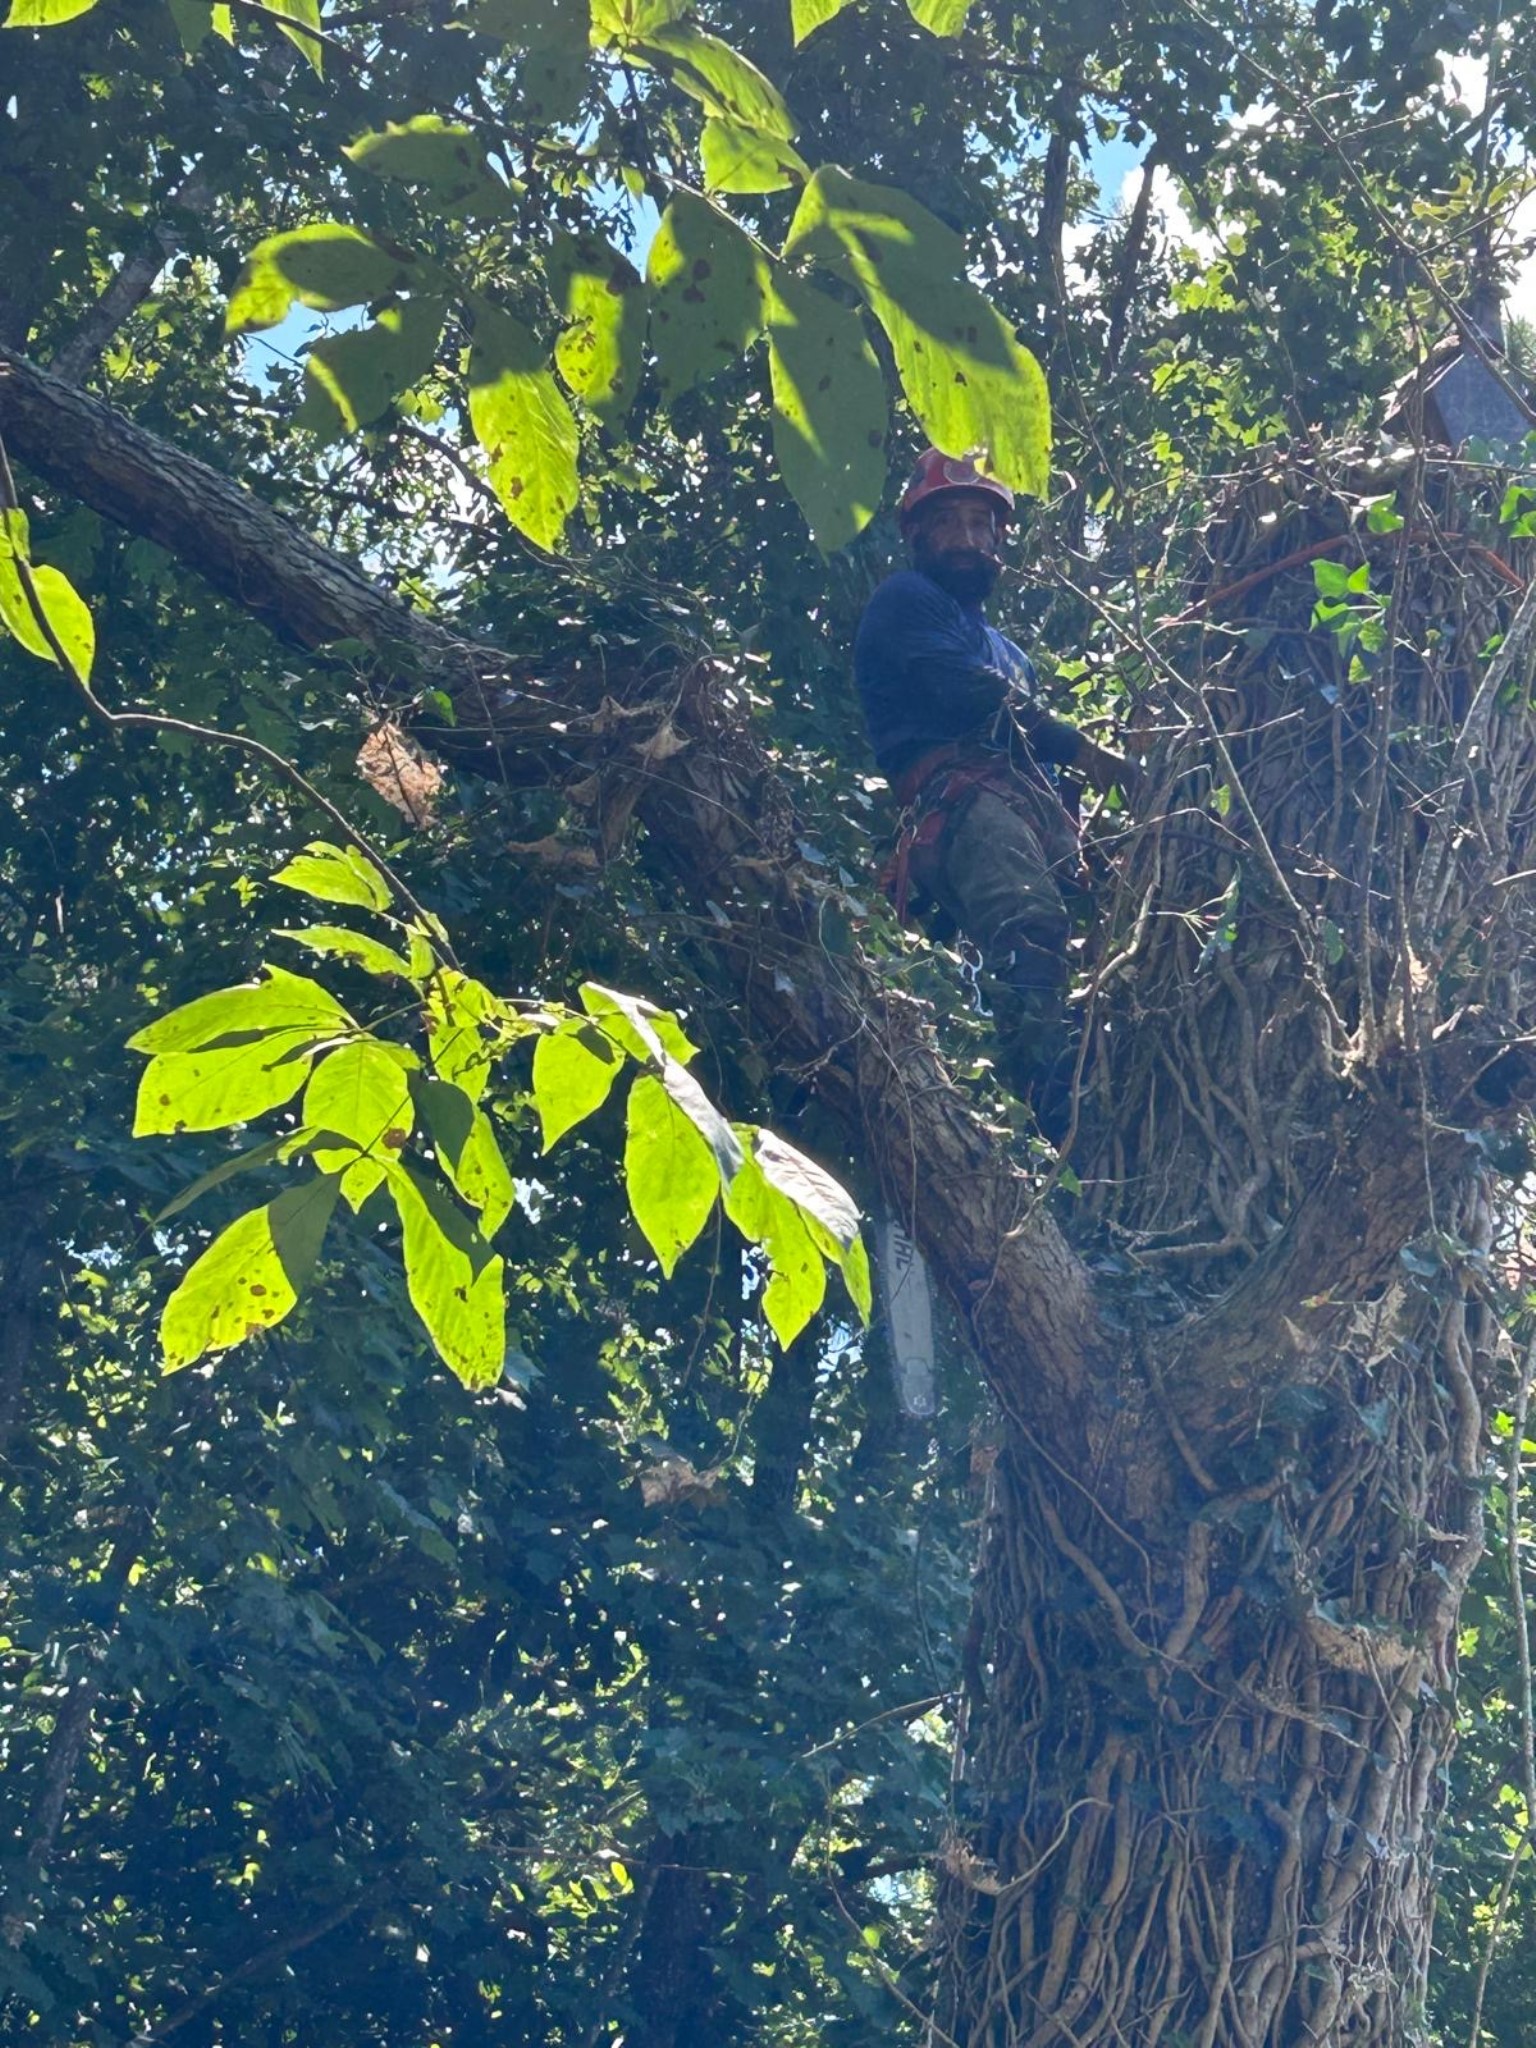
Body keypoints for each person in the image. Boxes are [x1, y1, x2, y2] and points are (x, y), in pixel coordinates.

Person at [854, 449, 1131, 1140]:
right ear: (917, 534)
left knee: (1105, 927)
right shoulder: (906, 600)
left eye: (981, 524)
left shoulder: (1012, 653)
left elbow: (1024, 732)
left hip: (1028, 804)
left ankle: (1095, 1079)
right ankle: (1048, 1110)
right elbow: (971, 695)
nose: (968, 538)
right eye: (949, 522)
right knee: (1027, 920)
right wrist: (1086, 751)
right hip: (961, 800)